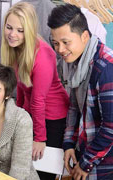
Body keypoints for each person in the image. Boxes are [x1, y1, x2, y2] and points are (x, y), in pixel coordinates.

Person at [0, 2, 69, 179]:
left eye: (20, 30)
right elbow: (23, 89)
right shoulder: (17, 49)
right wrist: (19, 120)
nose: (12, 34)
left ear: (29, 30)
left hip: (52, 118)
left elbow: (38, 100)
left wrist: (39, 138)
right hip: (34, 114)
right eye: (9, 27)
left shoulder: (43, 54)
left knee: (42, 173)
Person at [48, 4, 113, 180]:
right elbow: (74, 107)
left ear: (85, 36)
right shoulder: (75, 63)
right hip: (85, 153)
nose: (60, 49)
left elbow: (110, 127)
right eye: (55, 43)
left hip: (104, 164)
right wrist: (68, 144)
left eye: (65, 42)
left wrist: (86, 163)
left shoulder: (106, 68)